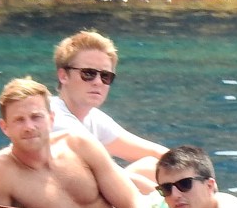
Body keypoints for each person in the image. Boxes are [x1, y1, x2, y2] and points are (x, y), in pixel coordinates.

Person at [0, 77, 151, 208]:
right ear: (5, 127)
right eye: (19, 120)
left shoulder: (78, 145)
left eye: (36, 117)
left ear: (51, 119)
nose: (29, 126)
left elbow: (137, 205)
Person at [52, 30, 168, 192]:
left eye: (105, 76)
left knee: (152, 166)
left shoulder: (92, 118)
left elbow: (155, 153)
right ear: (63, 76)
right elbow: (112, 176)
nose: (98, 82)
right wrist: (166, 197)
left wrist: (200, 177)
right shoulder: (53, 118)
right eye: (88, 74)